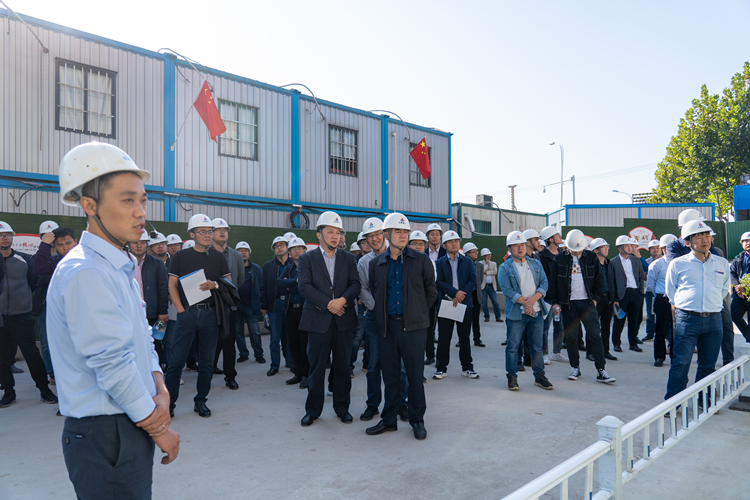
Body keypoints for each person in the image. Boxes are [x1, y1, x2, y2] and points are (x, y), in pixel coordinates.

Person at [47, 142, 178, 498]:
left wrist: (160, 387)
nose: (140, 213)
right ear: (89, 206)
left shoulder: (117, 266)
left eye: (143, 200)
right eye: (127, 200)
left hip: (127, 422)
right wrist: (158, 428)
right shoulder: (86, 271)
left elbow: (141, 338)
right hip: (106, 433)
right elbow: (111, 363)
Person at [365, 213, 436, 440]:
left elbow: (431, 292)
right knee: (390, 376)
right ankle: (389, 420)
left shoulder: (421, 260)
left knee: (415, 376)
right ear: (387, 234)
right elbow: (376, 292)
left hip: (413, 329)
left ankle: (417, 420)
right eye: (398, 231)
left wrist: (417, 313)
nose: (403, 235)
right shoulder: (376, 264)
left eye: (405, 232)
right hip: (387, 329)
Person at [298, 211, 360, 427]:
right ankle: (313, 410)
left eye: (338, 232)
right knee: (316, 368)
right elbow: (304, 286)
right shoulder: (306, 258)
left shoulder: (349, 258)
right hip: (317, 320)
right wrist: (329, 304)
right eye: (330, 232)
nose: (335, 236)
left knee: (343, 367)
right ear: (319, 234)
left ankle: (342, 408)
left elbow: (355, 284)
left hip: (344, 320)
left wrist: (342, 300)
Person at [166, 213, 231, 418]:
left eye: (210, 231)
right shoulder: (180, 257)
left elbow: (229, 284)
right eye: (202, 231)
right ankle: (169, 404)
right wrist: (180, 310)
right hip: (187, 314)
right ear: (192, 234)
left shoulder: (219, 257)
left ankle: (201, 400)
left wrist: (215, 284)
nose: (207, 235)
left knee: (206, 361)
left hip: (211, 314)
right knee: (176, 361)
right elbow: (171, 285)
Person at [664, 220, 729, 403]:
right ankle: (673, 403)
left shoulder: (722, 263)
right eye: (699, 236)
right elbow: (671, 292)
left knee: (708, 365)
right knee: (680, 364)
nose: (704, 239)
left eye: (707, 235)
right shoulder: (678, 264)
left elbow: (724, 290)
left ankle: (703, 401)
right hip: (687, 320)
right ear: (687, 242)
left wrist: (711, 304)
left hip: (714, 320)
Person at [0, 221, 57, 408]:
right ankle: (9, 393)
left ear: (12, 237)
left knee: (32, 354)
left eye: (8, 235)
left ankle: (44, 390)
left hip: (21, 316)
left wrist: (23, 301)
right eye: (1, 235)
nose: (5, 238)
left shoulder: (25, 259)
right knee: (2, 358)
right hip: (1, 318)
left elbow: (34, 283)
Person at [547, 230, 615, 384]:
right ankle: (575, 368)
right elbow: (553, 282)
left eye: (579, 249)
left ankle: (601, 370)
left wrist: (595, 300)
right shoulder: (560, 258)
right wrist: (556, 302)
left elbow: (600, 280)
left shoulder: (591, 257)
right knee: (571, 338)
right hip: (568, 304)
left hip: (587, 303)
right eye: (573, 250)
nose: (577, 252)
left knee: (595, 336)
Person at [358, 217, 407, 422]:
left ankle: (402, 403)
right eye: (370, 236)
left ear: (385, 234)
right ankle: (373, 404)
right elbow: (363, 290)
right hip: (375, 319)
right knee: (374, 365)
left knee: (400, 365)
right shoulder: (364, 262)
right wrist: (379, 310)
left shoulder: (401, 256)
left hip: (398, 319)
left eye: (377, 234)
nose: (374, 239)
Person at [497, 231, 553, 391]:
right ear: (509, 248)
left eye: (522, 244)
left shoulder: (535, 264)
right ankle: (512, 377)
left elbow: (544, 283)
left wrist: (534, 299)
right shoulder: (505, 267)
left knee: (537, 347)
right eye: (516, 245)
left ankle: (539, 376)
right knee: (513, 347)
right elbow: (507, 290)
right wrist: (526, 302)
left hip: (536, 313)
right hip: (516, 314)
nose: (520, 248)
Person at [33, 225, 78, 385]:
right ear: (55, 246)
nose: (65, 247)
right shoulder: (54, 261)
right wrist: (44, 245)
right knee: (52, 344)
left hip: (78, 309)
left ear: (76, 241)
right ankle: (55, 375)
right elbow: (39, 268)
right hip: (55, 310)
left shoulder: (85, 259)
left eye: (68, 243)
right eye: (60, 245)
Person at [433, 230, 479, 380]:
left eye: (456, 241)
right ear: (444, 245)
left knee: (464, 337)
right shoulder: (439, 263)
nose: (454, 244)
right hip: (447, 303)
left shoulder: (467, 261)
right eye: (450, 242)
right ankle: (441, 368)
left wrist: (460, 295)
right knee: (444, 337)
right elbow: (439, 282)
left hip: (464, 304)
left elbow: (472, 280)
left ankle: (467, 367)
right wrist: (455, 293)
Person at [210, 218, 244, 389]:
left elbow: (240, 279)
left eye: (225, 230)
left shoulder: (236, 255)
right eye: (218, 229)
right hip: (210, 305)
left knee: (229, 343)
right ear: (211, 233)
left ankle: (230, 376)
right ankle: (207, 373)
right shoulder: (205, 253)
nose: (223, 232)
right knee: (210, 342)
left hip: (230, 306)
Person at [129, 232, 169, 367]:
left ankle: (157, 371)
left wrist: (163, 311)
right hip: (130, 311)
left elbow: (163, 288)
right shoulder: (123, 262)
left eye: (142, 243)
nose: (138, 246)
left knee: (154, 344)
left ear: (147, 245)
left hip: (151, 311)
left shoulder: (157, 263)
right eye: (135, 242)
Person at [277, 237, 309, 388]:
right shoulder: (289, 268)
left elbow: (307, 287)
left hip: (306, 310)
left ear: (304, 250)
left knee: (305, 344)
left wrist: (291, 286)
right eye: (293, 249)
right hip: (290, 310)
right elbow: (279, 283)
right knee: (293, 344)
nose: (297, 251)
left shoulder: (310, 266)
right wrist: (295, 281)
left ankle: (307, 375)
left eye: (299, 248)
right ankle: (298, 373)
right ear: (289, 252)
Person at [609, 235, 646, 353]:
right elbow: (612, 282)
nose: (630, 248)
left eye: (630, 245)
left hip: (636, 293)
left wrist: (640, 292)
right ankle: (616, 343)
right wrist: (615, 298)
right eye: (626, 245)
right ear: (619, 247)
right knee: (619, 320)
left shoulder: (636, 260)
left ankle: (633, 344)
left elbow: (641, 276)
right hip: (621, 295)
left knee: (634, 320)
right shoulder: (613, 262)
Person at [261, 236, 292, 376]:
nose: (279, 248)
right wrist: (264, 306)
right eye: (276, 246)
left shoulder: (294, 264)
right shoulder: (268, 266)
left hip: (290, 304)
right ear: (273, 249)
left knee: (290, 336)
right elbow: (263, 287)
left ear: (287, 247)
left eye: (282, 245)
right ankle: (274, 366)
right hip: (275, 305)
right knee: (274, 338)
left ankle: (291, 363)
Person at [537, 226, 567, 362]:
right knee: (544, 327)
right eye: (557, 235)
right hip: (548, 298)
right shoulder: (541, 257)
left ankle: (557, 352)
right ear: (550, 239)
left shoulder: (563, 254)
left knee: (560, 326)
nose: (560, 237)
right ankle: (544, 354)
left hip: (561, 298)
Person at [647, 234, 677, 366]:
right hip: (662, 300)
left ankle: (675, 357)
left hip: (678, 300)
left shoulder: (681, 264)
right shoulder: (656, 264)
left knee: (677, 330)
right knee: (660, 329)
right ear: (664, 249)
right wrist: (660, 295)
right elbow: (650, 284)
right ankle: (659, 357)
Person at [235, 241, 265, 364]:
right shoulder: (232, 268)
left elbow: (262, 287)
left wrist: (262, 304)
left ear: (249, 253)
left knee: (255, 332)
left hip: (251, 306)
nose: (243, 253)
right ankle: (243, 354)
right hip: (236, 306)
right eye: (240, 251)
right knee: (238, 332)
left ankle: (259, 355)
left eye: (245, 251)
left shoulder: (256, 268)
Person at [589, 238, 618, 361]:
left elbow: (614, 282)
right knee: (593, 327)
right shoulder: (590, 264)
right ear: (596, 250)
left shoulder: (609, 263)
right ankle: (590, 352)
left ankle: (605, 351)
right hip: (595, 300)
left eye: (607, 247)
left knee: (606, 327)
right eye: (603, 247)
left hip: (608, 299)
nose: (606, 249)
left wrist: (615, 299)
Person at [424, 223, 447, 360]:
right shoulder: (423, 253)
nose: (434, 237)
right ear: (428, 236)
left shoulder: (446, 252)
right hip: (427, 294)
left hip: (443, 293)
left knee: (444, 326)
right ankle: (430, 354)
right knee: (428, 325)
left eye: (437, 234)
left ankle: (441, 358)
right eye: (432, 234)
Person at [463, 242, 485, 347]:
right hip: (465, 295)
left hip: (476, 295)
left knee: (475, 319)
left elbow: (480, 280)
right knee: (464, 319)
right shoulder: (462, 264)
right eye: (473, 252)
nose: (476, 253)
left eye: (476, 251)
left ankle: (477, 339)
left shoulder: (480, 265)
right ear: (467, 253)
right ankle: (462, 339)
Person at [730, 231, 750, 343]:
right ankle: (748, 336)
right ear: (741, 244)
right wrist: (738, 286)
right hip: (739, 293)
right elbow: (732, 273)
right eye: (745, 241)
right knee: (735, 315)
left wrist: (746, 286)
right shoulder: (738, 258)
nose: (748, 243)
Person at [642, 239, 663, 341]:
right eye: (653, 248)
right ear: (649, 250)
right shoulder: (646, 262)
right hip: (650, 292)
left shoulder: (666, 261)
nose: (655, 250)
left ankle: (665, 334)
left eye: (657, 248)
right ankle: (650, 334)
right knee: (650, 314)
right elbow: (645, 277)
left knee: (663, 314)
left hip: (662, 292)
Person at [479, 249, 502, 324]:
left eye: (489, 255)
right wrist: (487, 264)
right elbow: (481, 271)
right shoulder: (480, 263)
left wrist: (486, 272)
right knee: (484, 302)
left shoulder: (494, 263)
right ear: (483, 256)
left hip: (492, 286)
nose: (489, 256)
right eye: (487, 255)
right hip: (483, 286)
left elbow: (495, 272)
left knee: (495, 302)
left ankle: (498, 317)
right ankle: (486, 317)